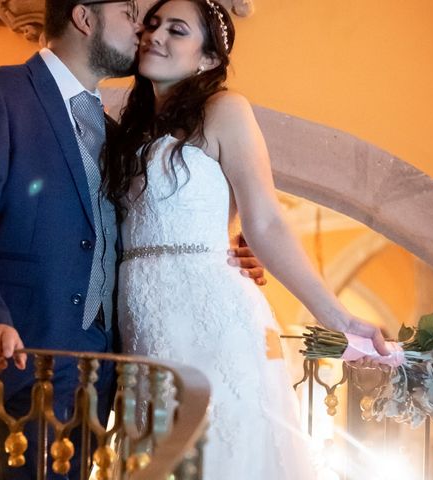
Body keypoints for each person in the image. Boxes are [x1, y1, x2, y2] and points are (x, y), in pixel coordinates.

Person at [0, 1, 264, 478]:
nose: (143, 31)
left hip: (104, 366)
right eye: (130, 14)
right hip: (23, 352)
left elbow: (136, 230)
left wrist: (224, 250)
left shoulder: (111, 130)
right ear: (85, 18)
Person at [105, 0, 390, 478]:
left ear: (208, 59)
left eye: (177, 30)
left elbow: (266, 222)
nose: (156, 36)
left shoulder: (225, 110)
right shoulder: (125, 126)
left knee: (222, 453)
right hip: (142, 319)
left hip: (212, 315)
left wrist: (335, 315)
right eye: (153, 24)